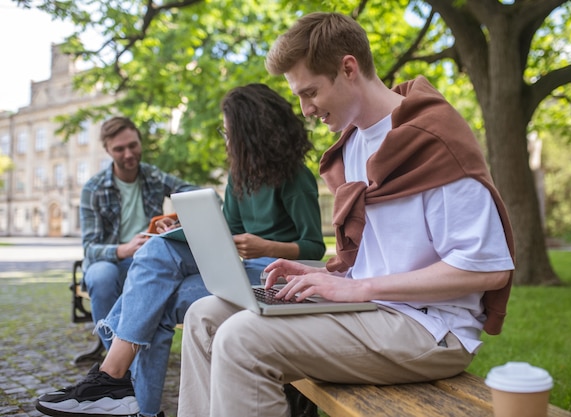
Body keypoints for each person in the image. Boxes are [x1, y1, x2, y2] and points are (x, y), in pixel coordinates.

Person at [177, 12, 516, 417]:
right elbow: (378, 258)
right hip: (373, 311)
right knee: (204, 316)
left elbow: (487, 269)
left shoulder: (434, 140)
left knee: (241, 338)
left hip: (431, 330)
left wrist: (361, 288)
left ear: (348, 68)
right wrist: (329, 277)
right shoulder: (352, 144)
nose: (305, 110)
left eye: (310, 92)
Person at [35, 84, 326, 417]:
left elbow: (313, 248)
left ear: (252, 132)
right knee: (159, 249)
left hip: (272, 277)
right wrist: (187, 232)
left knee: (158, 302)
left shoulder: (295, 177)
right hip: (235, 269)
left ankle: (118, 388)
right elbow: (228, 231)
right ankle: (119, 389)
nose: (226, 138)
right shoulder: (238, 177)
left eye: (228, 131)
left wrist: (265, 245)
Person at [79, 116, 198, 344]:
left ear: (140, 142)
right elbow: (90, 248)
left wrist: (170, 219)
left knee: (164, 270)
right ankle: (115, 366)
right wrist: (123, 250)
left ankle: (137, 356)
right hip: (112, 262)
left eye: (133, 145)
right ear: (107, 150)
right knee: (101, 276)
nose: (128, 154)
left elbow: (193, 193)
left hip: (148, 259)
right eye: (119, 149)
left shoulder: (153, 176)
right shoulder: (93, 189)